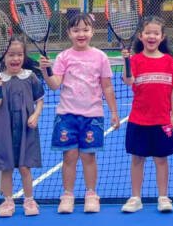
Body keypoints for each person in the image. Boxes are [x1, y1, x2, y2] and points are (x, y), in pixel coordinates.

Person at [39, 11, 120, 214]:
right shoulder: (63, 57)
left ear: (92, 32)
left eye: (85, 29)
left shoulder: (100, 57)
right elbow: (55, 85)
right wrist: (45, 71)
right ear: (69, 33)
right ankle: (68, 195)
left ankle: (91, 194)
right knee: (69, 157)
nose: (81, 34)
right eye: (76, 30)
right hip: (66, 116)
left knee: (88, 157)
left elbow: (107, 87)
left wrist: (113, 111)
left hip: (93, 116)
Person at [121, 16, 173, 213]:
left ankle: (163, 197)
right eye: (148, 33)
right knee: (137, 159)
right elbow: (128, 81)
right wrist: (126, 61)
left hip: (162, 120)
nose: (151, 36)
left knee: (161, 160)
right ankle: (135, 198)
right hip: (138, 120)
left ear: (162, 37)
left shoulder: (168, 61)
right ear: (141, 36)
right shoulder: (135, 60)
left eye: (156, 33)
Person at [0, 38, 44, 218]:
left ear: (24, 56)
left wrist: (35, 115)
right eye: (11, 55)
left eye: (19, 54)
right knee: (6, 167)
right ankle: (8, 201)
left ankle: (29, 200)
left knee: (24, 167)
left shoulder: (30, 77)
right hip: (4, 129)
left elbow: (39, 100)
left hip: (26, 129)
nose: (15, 58)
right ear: (3, 57)